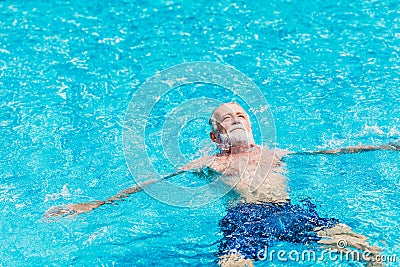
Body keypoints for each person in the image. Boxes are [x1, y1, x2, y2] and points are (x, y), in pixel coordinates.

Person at [45, 102, 399, 266]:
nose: (236, 119)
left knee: (370, 251)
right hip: (245, 220)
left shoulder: (275, 152)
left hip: (291, 212)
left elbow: (335, 152)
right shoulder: (210, 162)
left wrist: (386, 146)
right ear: (217, 136)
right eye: (226, 119)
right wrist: (90, 205)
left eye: (241, 115)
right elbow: (150, 183)